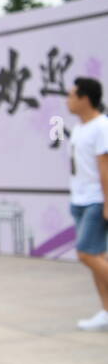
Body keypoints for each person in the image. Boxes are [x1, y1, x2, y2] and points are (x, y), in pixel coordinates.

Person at [66, 76, 108, 330]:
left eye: (72, 95)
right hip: (79, 199)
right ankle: (106, 310)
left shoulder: (102, 126)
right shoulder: (78, 129)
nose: (68, 101)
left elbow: (105, 167)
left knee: (86, 253)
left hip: (96, 199)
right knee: (98, 255)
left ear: (85, 98)